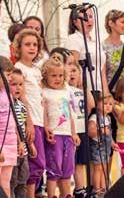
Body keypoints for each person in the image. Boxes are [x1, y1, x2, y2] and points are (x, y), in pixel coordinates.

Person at [41, 58, 80, 198]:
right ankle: (51, 194)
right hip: (55, 134)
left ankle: (67, 194)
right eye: (53, 75)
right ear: (46, 76)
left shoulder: (65, 91)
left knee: (68, 168)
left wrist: (74, 133)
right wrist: (46, 128)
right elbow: (44, 113)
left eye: (60, 75)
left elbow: (69, 114)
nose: (57, 79)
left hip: (67, 134)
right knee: (54, 167)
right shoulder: (44, 92)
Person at [13, 29, 43, 198]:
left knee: (40, 163)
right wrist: (28, 123)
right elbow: (21, 97)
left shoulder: (37, 70)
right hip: (30, 121)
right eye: (27, 44)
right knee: (34, 162)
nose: (32, 48)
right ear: (19, 47)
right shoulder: (19, 68)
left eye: (35, 45)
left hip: (41, 120)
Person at [68, 62, 94, 198]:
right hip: (71, 130)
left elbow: (91, 105)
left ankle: (80, 189)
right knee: (71, 161)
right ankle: (69, 189)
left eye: (74, 71)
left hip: (82, 129)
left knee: (80, 162)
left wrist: (84, 85)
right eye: (69, 71)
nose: (72, 74)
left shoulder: (81, 90)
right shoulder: (66, 89)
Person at [9, 68, 37, 198]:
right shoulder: (8, 105)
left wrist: (30, 145)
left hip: (23, 151)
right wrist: (18, 143)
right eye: (14, 84)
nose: (18, 88)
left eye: (20, 84)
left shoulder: (22, 105)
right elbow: (11, 127)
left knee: (23, 180)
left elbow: (24, 128)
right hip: (12, 150)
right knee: (12, 181)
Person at [65, 7, 105, 93]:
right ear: (75, 22)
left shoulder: (96, 41)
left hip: (99, 89)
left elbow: (102, 70)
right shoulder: (73, 39)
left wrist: (106, 92)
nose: (88, 20)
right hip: (84, 89)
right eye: (84, 17)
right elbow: (73, 66)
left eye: (90, 16)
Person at [0, 56, 16, 197]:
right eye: (7, 75)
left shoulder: (8, 93)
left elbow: (13, 119)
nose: (10, 79)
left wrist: (19, 141)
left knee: (6, 181)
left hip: (11, 140)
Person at [88, 94, 120, 196]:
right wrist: (101, 130)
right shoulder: (95, 117)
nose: (108, 106)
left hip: (106, 147)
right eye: (105, 103)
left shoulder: (108, 118)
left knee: (104, 167)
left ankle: (103, 187)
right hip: (98, 146)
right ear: (98, 104)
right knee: (98, 168)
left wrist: (113, 144)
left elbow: (109, 134)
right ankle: (96, 188)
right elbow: (90, 131)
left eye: (110, 104)